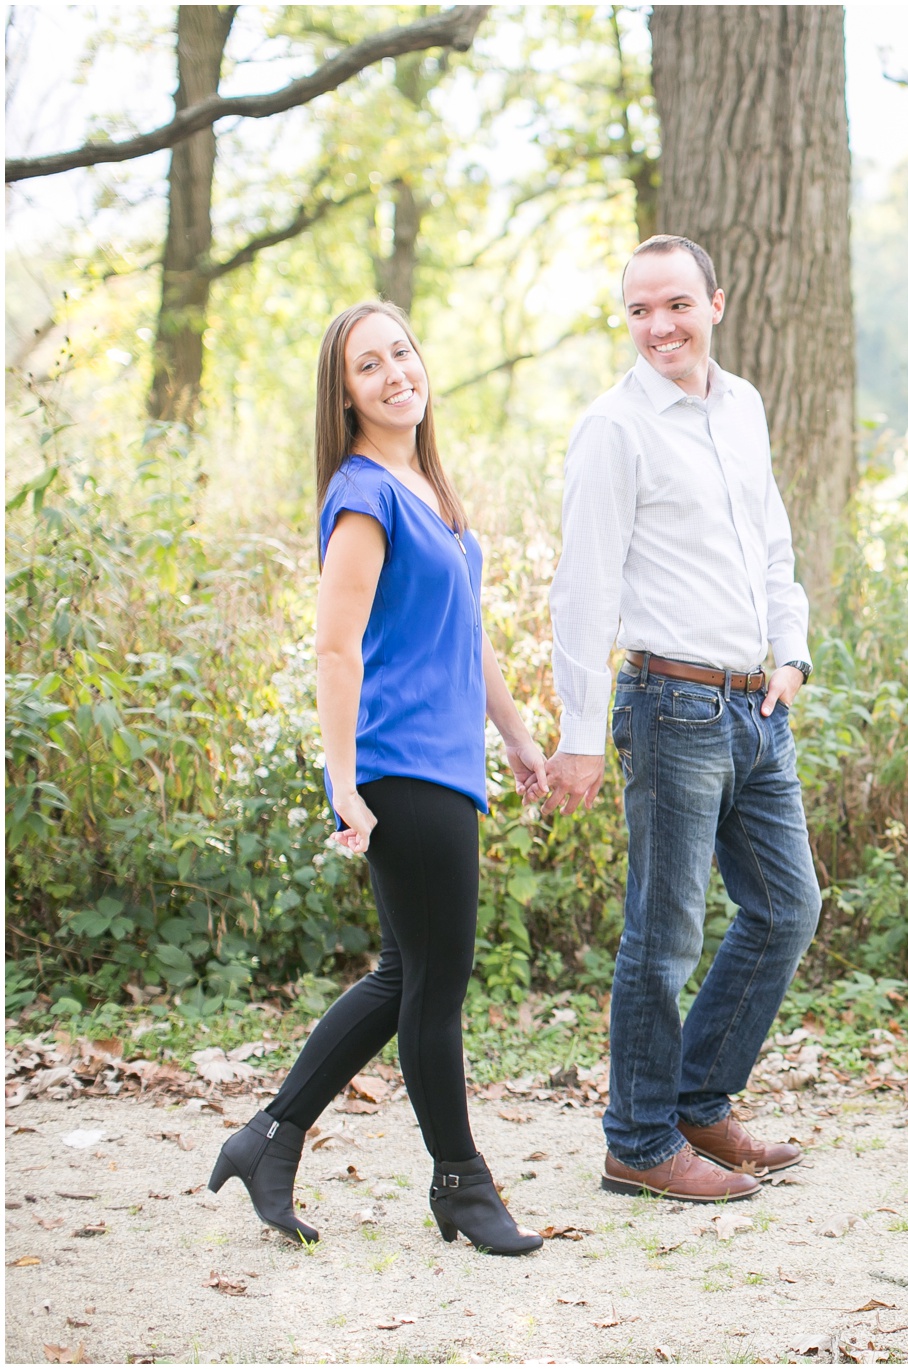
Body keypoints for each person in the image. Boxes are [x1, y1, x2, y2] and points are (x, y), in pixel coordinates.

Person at [209, 301, 549, 1256]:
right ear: (346, 392)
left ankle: (269, 1138)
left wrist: (517, 738)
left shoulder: (429, 488)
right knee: (435, 986)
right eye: (369, 364)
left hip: (448, 763)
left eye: (402, 350)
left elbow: (466, 637)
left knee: (409, 973)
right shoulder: (365, 494)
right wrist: (342, 781)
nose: (395, 370)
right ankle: (462, 1187)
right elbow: (335, 645)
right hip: (399, 765)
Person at [546, 235, 820, 1204]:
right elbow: (580, 587)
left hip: (756, 704)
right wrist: (580, 731)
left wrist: (789, 650)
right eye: (638, 310)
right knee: (662, 940)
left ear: (715, 300)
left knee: (787, 908)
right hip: (671, 704)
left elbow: (771, 541)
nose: (657, 325)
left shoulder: (740, 405)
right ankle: (637, 1138)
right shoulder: (613, 428)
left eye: (674, 304)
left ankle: (699, 1101)